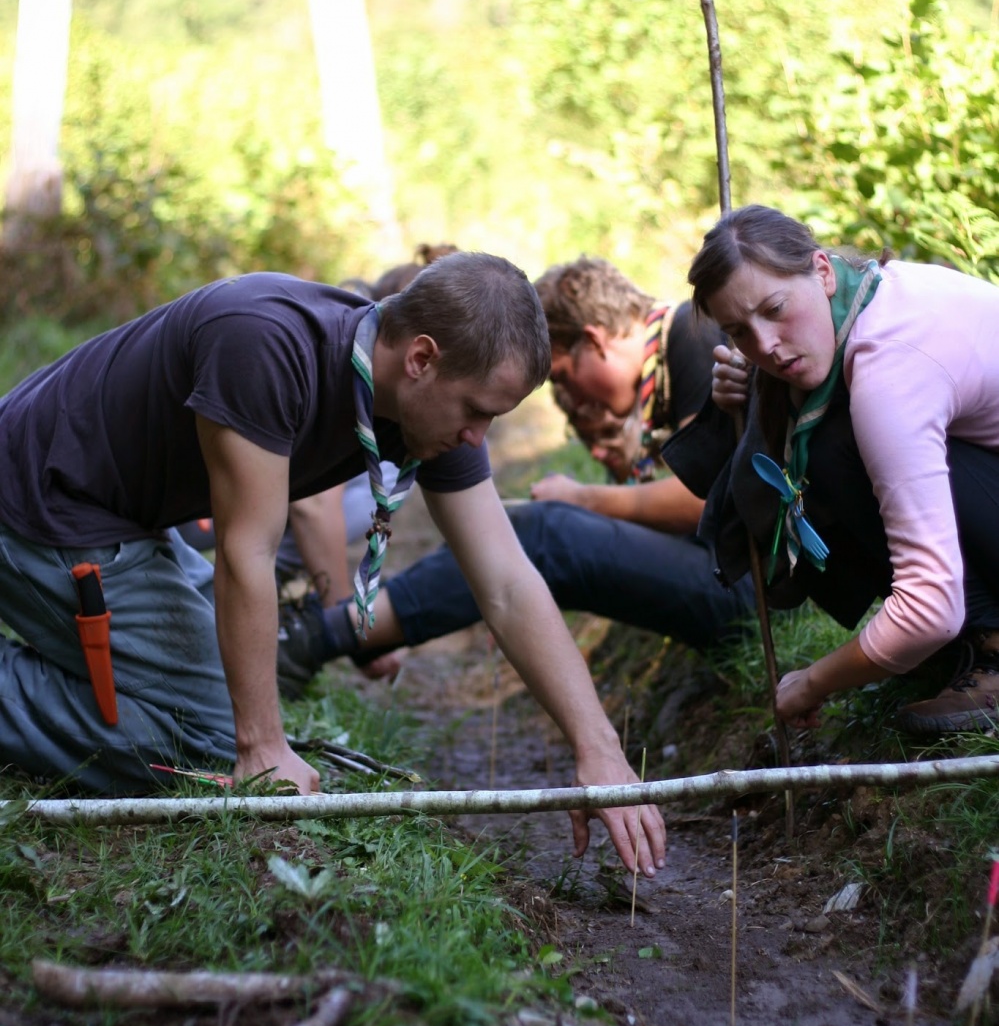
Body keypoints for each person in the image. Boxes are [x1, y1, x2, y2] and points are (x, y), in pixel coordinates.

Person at [0, 254, 666, 876]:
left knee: (228, 694)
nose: (476, 438)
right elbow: (245, 552)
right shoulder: (265, 343)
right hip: (43, 500)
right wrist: (260, 746)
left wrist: (598, 747)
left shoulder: (425, 406)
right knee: (209, 740)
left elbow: (507, 582)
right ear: (422, 359)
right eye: (476, 412)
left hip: (123, 519)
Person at [280, 256, 754, 669]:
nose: (571, 401)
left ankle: (322, 637)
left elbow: (701, 503)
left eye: (565, 380)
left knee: (544, 534)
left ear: (594, 342)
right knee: (512, 535)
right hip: (722, 571)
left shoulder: (694, 337)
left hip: (748, 589)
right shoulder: (672, 360)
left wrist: (585, 498)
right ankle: (343, 628)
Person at [682, 203, 999, 735]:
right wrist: (755, 387)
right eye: (739, 332)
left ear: (823, 271)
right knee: (833, 442)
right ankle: (962, 644)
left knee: (837, 444)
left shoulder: (889, 367)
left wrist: (813, 681)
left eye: (775, 309)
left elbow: (930, 606)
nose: (766, 346)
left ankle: (991, 646)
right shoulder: (875, 292)